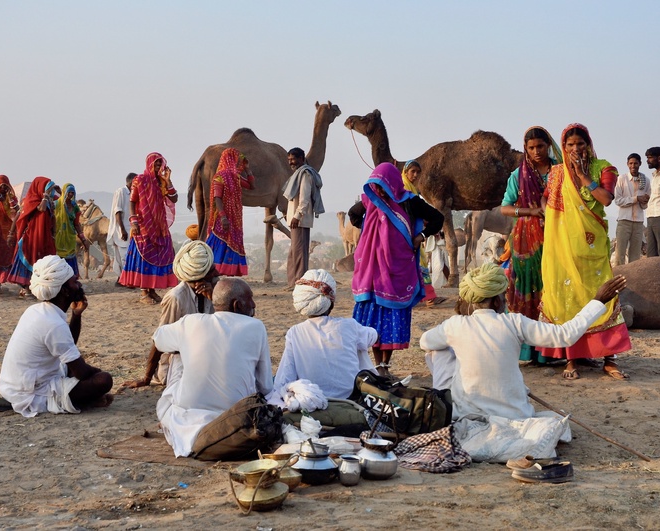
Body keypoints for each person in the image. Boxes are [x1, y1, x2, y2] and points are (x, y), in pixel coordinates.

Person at [421, 262, 627, 420]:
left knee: (438, 350)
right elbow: (565, 335)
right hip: (515, 415)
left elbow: (425, 342)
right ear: (497, 301)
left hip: (466, 415)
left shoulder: (454, 325)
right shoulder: (514, 322)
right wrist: (598, 300)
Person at [539, 123, 632, 380]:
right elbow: (545, 198)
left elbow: (606, 199)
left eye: (580, 144)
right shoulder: (557, 172)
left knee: (602, 294)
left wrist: (582, 176)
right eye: (570, 145)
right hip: (563, 245)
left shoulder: (604, 168)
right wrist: (550, 216)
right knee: (569, 295)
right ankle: (572, 358)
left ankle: (609, 358)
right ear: (564, 147)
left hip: (593, 244)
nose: (575, 149)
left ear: (588, 144)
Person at [153, 277, 273, 457]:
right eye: (250, 299)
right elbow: (266, 387)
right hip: (237, 416)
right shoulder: (256, 327)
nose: (254, 305)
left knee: (177, 354)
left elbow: (158, 339)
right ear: (236, 305)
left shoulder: (190, 322)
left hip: (188, 415)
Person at [349, 162, 444, 376]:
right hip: (373, 271)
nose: (380, 191)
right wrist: (369, 232)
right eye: (377, 186)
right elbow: (353, 215)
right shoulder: (370, 199)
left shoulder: (410, 201)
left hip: (399, 268)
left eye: (383, 186)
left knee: (393, 312)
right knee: (375, 316)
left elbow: (438, 218)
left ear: (393, 183)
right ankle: (378, 365)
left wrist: (421, 236)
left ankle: (385, 365)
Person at [0, 255, 113, 417]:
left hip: (17, 384)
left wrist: (76, 315)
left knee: (71, 368)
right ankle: (85, 401)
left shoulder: (37, 310)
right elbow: (81, 372)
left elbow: (67, 346)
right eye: (74, 282)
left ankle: (87, 398)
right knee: (104, 380)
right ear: (65, 291)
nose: (79, 285)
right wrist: (96, 372)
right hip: (30, 393)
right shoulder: (53, 323)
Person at [499, 126, 562, 364]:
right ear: (525, 148)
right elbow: (505, 208)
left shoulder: (560, 172)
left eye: (540, 146)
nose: (536, 151)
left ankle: (553, 351)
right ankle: (530, 352)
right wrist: (530, 212)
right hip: (526, 241)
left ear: (548, 146)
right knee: (527, 290)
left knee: (553, 288)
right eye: (531, 147)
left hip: (557, 236)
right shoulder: (519, 175)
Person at [121, 240, 217, 388]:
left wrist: (215, 300)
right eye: (212, 271)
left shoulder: (215, 290)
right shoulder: (176, 298)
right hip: (180, 361)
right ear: (200, 278)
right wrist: (146, 379)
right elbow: (160, 339)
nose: (217, 273)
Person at [272, 269, 377, 400]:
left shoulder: (295, 332)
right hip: (351, 399)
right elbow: (374, 336)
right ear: (331, 303)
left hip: (314, 400)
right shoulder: (349, 325)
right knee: (360, 345)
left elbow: (285, 376)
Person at [119, 152, 179, 304]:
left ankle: (152, 290)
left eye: (160, 163)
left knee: (160, 255)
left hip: (159, 225)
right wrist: (133, 221)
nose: (158, 166)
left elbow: (174, 199)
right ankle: (144, 292)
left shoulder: (162, 181)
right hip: (144, 224)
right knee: (144, 256)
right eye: (156, 163)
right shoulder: (140, 180)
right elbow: (132, 201)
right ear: (149, 164)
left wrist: (168, 181)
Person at [7, 177, 61, 297]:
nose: (50, 191)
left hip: (44, 237)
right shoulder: (31, 201)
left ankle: (37, 288)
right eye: (47, 188)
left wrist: (53, 234)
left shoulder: (49, 202)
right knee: (29, 260)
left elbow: (53, 216)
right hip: (31, 238)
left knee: (43, 262)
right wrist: (11, 233)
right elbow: (40, 209)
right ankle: (26, 288)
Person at [401, 160, 445, 308]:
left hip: (412, 235)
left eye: (418, 172)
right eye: (412, 171)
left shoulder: (413, 192)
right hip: (404, 236)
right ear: (405, 172)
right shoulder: (403, 191)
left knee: (418, 264)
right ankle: (428, 297)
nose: (415, 175)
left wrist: (423, 228)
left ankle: (426, 297)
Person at [205, 148, 254, 276]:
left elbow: (251, 186)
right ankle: (209, 270)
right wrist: (223, 217)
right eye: (236, 160)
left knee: (232, 242)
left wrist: (247, 170)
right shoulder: (220, 177)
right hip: (223, 217)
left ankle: (229, 273)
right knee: (218, 242)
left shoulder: (236, 177)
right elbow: (217, 198)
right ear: (230, 160)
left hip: (234, 218)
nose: (238, 163)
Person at [283, 147, 324, 289]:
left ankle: (300, 283)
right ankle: (293, 283)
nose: (290, 162)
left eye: (293, 159)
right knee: (294, 253)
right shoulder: (297, 174)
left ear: (301, 158)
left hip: (300, 221)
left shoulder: (305, 174)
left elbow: (304, 199)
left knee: (299, 254)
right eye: (289, 159)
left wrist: (297, 216)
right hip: (294, 220)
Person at [613, 154, 651, 266]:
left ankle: (632, 276)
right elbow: (618, 200)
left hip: (638, 222)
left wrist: (644, 201)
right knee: (619, 253)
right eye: (631, 163)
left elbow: (646, 204)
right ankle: (618, 276)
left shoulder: (646, 180)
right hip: (624, 220)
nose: (633, 166)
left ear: (640, 164)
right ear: (627, 164)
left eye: (635, 163)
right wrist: (636, 199)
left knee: (635, 256)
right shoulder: (622, 179)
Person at [54, 183, 90, 276]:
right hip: (58, 238)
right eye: (69, 192)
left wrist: (83, 239)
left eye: (72, 192)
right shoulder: (56, 205)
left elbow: (76, 224)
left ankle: (70, 278)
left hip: (70, 238)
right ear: (65, 192)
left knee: (70, 258)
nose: (70, 194)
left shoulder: (75, 207)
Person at [107, 172, 136, 282]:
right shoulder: (121, 192)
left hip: (131, 229)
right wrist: (122, 230)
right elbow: (117, 212)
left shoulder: (134, 193)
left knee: (127, 256)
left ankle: (123, 279)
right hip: (122, 230)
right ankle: (126, 280)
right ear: (131, 182)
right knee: (124, 256)